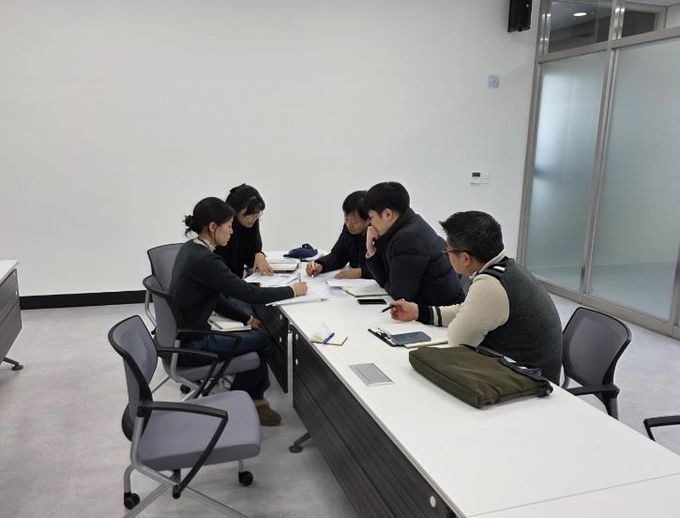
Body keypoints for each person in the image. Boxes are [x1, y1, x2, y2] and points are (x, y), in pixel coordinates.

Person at [170, 197, 308, 425]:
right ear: (213, 227)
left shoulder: (190, 249)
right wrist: (292, 290)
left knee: (255, 333)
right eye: (229, 226)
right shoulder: (205, 260)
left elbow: (214, 298)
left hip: (181, 338)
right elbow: (249, 293)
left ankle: (246, 396)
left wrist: (247, 318)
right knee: (262, 341)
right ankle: (248, 403)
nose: (232, 232)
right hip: (192, 345)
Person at [390, 211, 563, 384]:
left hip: (530, 381)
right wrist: (419, 312)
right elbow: (469, 310)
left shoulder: (491, 284)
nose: (446, 256)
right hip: (530, 370)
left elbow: (458, 341)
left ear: (465, 258)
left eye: (447, 252)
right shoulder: (505, 268)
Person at [362, 181, 464, 306]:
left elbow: (400, 295)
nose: (371, 224)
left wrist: (386, 283)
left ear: (388, 214)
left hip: (440, 312)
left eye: (371, 217)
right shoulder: (411, 224)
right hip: (440, 305)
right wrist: (371, 249)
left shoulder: (407, 239)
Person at [306, 190, 372, 279]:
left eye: (355, 222)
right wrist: (321, 265)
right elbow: (339, 255)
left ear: (369, 219)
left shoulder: (379, 232)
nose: (349, 225)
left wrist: (362, 272)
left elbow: (386, 268)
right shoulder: (348, 229)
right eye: (346, 219)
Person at [215, 184, 273, 278]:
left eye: (256, 214)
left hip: (236, 281)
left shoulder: (250, 223)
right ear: (235, 211)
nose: (253, 219)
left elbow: (249, 254)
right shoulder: (222, 231)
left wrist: (258, 254)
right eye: (249, 214)